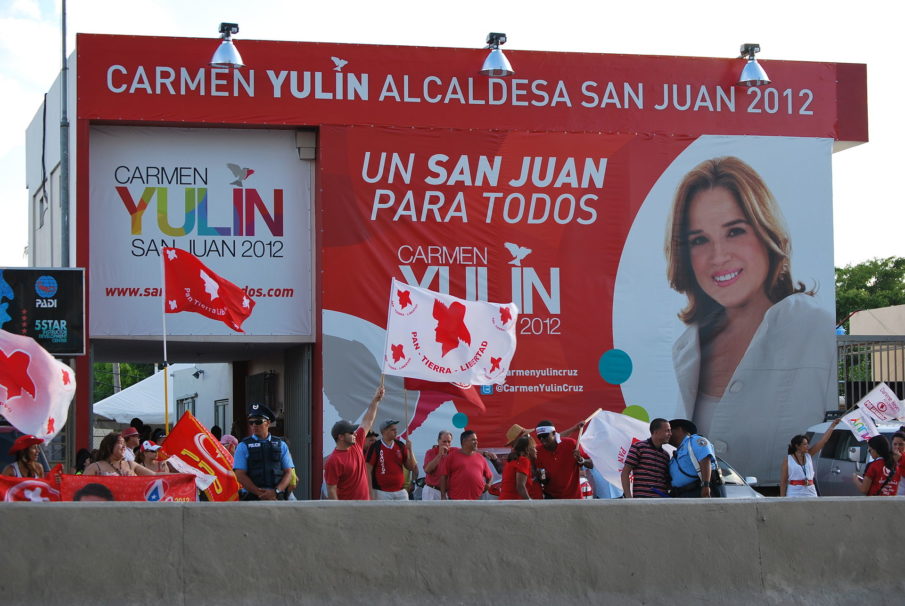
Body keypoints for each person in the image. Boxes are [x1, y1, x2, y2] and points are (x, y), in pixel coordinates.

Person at [665, 157, 835, 484]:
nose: (718, 255)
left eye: (735, 231)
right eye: (699, 239)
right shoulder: (688, 346)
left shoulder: (811, 327)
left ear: (766, 233)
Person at [324, 385, 384, 500]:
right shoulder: (333, 461)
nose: (355, 434)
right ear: (341, 437)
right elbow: (331, 489)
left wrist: (375, 400)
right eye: (351, 432)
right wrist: (338, 512)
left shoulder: (356, 443)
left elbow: (368, 420)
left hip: (365, 507)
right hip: (348, 511)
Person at [233, 404, 294, 501]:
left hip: (277, 497)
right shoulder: (243, 446)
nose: (254, 425)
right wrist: (260, 493)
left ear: (268, 423)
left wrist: (276, 492)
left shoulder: (281, 445)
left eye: (258, 422)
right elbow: (240, 474)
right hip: (252, 498)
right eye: (251, 422)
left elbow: (289, 472)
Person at [779, 418, 841, 497]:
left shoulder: (809, 455)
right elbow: (783, 481)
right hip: (794, 492)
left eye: (807, 444)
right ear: (797, 446)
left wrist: (833, 425)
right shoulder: (788, 460)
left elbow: (823, 441)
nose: (807, 446)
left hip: (810, 491)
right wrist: (782, 498)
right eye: (805, 444)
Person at [533, 419, 593, 499]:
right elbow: (543, 480)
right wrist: (541, 477)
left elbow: (591, 464)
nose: (542, 439)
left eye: (545, 436)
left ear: (554, 433)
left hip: (574, 497)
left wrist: (581, 460)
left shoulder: (571, 444)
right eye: (539, 437)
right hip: (551, 498)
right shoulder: (538, 451)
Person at [366, 418, 418, 500]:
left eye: (395, 429)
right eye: (392, 430)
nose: (396, 431)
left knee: (405, 513)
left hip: (401, 491)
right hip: (381, 492)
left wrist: (410, 450)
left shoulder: (400, 445)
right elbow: (368, 470)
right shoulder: (375, 446)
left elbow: (411, 467)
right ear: (384, 431)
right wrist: (370, 491)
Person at [621, 418, 671, 498]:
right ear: (656, 432)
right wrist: (628, 497)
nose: (670, 434)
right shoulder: (639, 447)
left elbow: (666, 481)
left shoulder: (666, 455)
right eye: (667, 431)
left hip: (662, 503)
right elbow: (625, 472)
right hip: (642, 502)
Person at [668, 419, 718, 498]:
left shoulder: (694, 441)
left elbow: (705, 460)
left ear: (679, 429)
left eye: (670, 431)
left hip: (697, 491)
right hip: (681, 494)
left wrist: (705, 485)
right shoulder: (677, 453)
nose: (668, 434)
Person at [439, 430, 491, 500]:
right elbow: (443, 477)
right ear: (464, 441)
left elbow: (490, 476)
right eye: (473, 440)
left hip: (477, 500)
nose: (476, 442)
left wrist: (488, 485)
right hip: (456, 500)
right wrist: (443, 495)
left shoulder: (481, 458)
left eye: (476, 440)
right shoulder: (452, 456)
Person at [83, 432, 160, 476]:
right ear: (109, 446)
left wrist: (172, 477)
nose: (124, 446)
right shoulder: (95, 467)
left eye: (124, 443)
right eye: (120, 443)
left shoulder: (131, 465)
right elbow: (82, 487)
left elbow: (154, 475)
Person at [499, 434, 537, 500]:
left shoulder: (512, 460)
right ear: (527, 449)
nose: (536, 450)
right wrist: (531, 503)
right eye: (534, 447)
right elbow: (520, 486)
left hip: (505, 501)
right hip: (514, 503)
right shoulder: (524, 460)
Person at [421, 431, 454, 501]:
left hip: (446, 492)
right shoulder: (430, 452)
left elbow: (467, 451)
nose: (446, 444)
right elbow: (427, 470)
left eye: (449, 442)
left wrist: (483, 453)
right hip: (431, 490)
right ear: (438, 441)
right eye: (444, 441)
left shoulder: (453, 452)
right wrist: (439, 455)